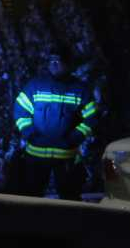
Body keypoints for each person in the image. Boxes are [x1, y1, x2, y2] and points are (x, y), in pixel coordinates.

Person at [7, 53, 96, 199]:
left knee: (70, 199)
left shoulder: (80, 89)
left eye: (58, 60)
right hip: (36, 154)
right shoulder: (35, 86)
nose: (53, 64)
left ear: (68, 64)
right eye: (51, 60)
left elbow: (91, 118)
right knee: (31, 197)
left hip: (66, 155)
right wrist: (30, 134)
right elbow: (20, 111)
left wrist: (74, 138)